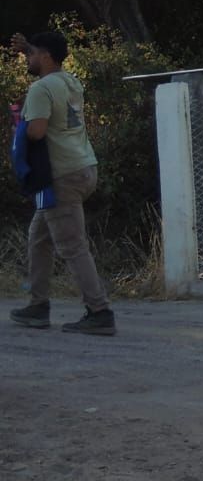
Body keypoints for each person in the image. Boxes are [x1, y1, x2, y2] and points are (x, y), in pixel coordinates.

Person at [7, 30, 114, 335]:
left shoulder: (41, 88)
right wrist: (31, 47)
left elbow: (38, 131)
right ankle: (37, 305)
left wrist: (19, 130)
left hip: (61, 176)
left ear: (46, 56)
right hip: (83, 166)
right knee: (38, 236)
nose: (28, 58)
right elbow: (51, 64)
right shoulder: (70, 81)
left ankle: (100, 311)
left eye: (32, 54)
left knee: (72, 245)